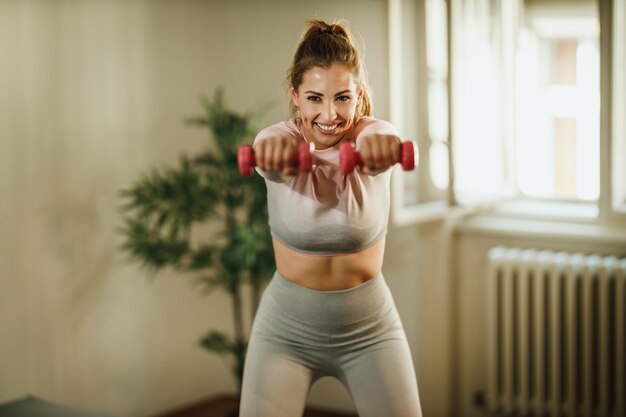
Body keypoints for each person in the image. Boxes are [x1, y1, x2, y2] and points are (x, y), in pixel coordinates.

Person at [239, 19, 423, 417]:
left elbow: (382, 136)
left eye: (342, 98)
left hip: (370, 330)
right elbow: (268, 143)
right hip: (285, 331)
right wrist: (269, 154)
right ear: (295, 96)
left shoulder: (372, 137)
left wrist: (380, 147)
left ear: (359, 96)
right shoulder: (281, 141)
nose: (329, 114)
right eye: (314, 98)